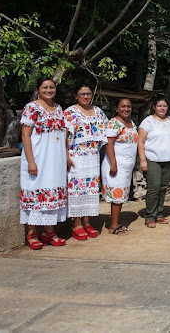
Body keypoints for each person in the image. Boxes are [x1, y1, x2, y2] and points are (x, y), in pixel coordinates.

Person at [20, 78, 68, 249]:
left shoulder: (58, 108)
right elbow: (25, 136)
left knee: (53, 191)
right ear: (38, 89)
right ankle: (32, 232)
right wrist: (31, 161)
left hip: (55, 159)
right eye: (45, 87)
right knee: (35, 190)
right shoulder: (31, 107)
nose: (49, 90)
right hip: (39, 157)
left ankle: (49, 231)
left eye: (52, 87)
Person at [64, 84, 108, 240]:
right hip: (76, 155)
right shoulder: (70, 112)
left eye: (88, 93)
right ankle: (76, 223)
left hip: (92, 156)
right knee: (77, 188)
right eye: (82, 93)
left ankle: (87, 221)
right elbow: (65, 136)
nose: (85, 96)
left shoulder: (98, 112)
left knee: (90, 188)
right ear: (76, 95)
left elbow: (106, 134)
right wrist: (66, 156)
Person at [101, 98, 138, 235]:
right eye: (123, 106)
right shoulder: (114, 123)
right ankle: (113, 226)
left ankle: (116, 222)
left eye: (128, 106)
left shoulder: (130, 123)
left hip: (126, 166)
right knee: (117, 196)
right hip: (116, 165)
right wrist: (114, 164)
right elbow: (108, 144)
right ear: (116, 108)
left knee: (121, 195)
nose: (126, 109)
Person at [138, 97, 170, 228]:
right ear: (154, 107)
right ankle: (150, 216)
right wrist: (142, 160)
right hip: (152, 158)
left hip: (169, 159)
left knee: (163, 188)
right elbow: (141, 142)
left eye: (164, 106)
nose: (162, 108)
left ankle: (159, 214)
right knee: (154, 188)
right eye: (159, 105)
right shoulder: (148, 122)